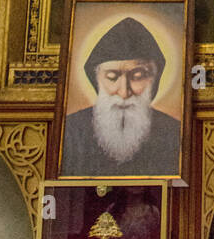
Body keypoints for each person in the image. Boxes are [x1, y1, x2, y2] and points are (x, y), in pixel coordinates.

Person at [59, 16, 181, 176]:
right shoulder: (69, 132)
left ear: (155, 80)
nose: (124, 92)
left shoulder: (175, 133)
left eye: (137, 76)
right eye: (112, 77)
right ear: (96, 79)